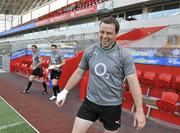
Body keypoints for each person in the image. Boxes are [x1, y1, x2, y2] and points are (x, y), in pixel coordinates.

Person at [55, 16, 146, 133]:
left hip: (112, 107)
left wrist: (139, 110)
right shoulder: (90, 51)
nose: (104, 36)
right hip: (90, 103)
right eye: (102, 32)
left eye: (109, 33)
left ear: (116, 34)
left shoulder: (123, 55)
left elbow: (133, 83)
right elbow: (78, 72)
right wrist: (64, 91)